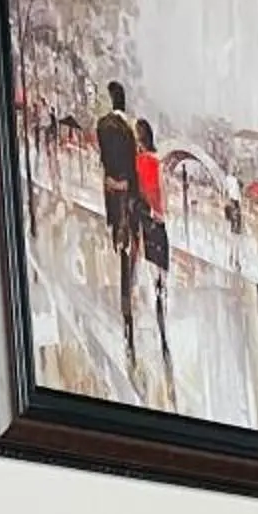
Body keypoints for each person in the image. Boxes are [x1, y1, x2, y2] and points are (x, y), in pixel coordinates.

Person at [93, 79, 141, 359]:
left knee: (119, 245)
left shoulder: (102, 126)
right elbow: (133, 171)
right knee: (128, 255)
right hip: (127, 196)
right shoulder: (129, 131)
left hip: (111, 193)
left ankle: (125, 312)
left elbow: (103, 160)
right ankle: (127, 313)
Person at [134, 119, 172, 374]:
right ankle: (163, 314)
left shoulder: (137, 163)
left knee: (150, 275)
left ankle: (157, 322)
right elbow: (164, 196)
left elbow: (138, 193)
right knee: (162, 276)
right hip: (160, 224)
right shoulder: (158, 162)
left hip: (147, 221)